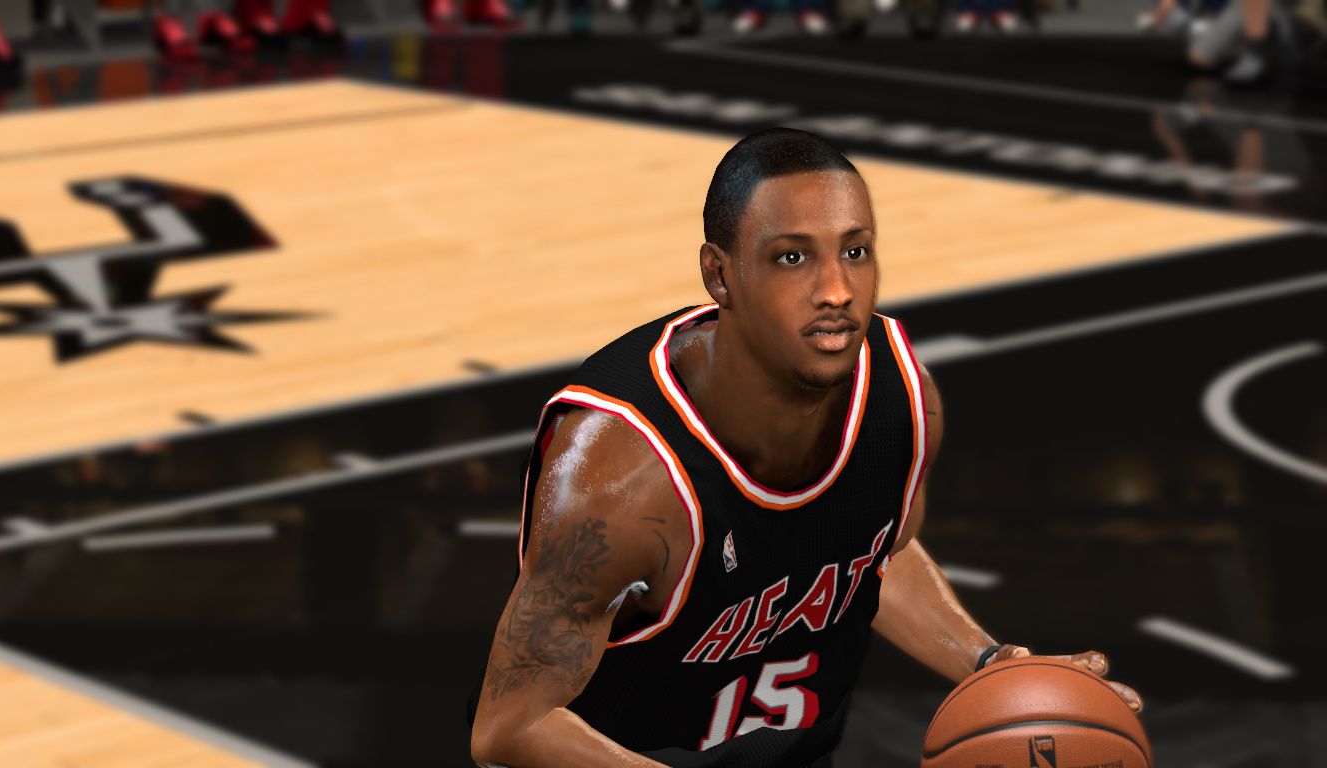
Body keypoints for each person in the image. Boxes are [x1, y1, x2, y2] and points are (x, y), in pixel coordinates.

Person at [469, 128, 1143, 768]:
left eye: (855, 251)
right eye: (792, 257)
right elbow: (512, 726)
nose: (837, 291)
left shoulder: (901, 399)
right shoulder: (621, 475)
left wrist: (992, 664)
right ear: (719, 275)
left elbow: (877, 551)